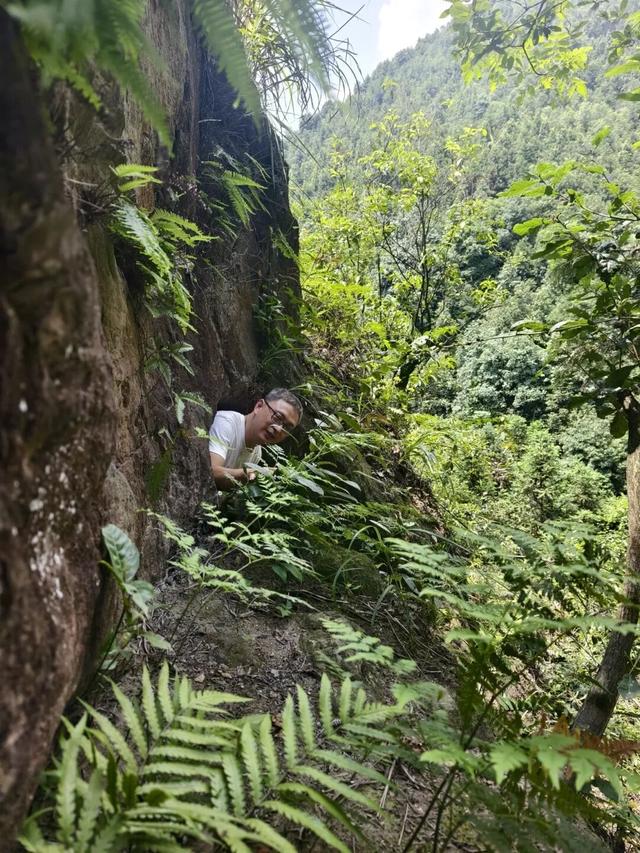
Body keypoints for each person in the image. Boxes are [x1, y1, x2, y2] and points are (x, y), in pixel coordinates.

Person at [208, 388, 302, 491]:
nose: (279, 429)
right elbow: (209, 472)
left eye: (287, 427)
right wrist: (253, 472)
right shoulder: (226, 423)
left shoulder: (257, 453)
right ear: (259, 406)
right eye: (277, 417)